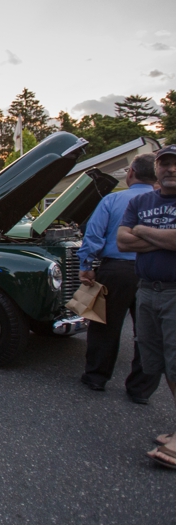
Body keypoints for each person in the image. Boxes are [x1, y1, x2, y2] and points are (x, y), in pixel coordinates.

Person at [77, 153, 161, 401]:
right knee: (149, 333)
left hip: (116, 271)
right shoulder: (166, 204)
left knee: (104, 325)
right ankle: (140, 389)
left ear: (131, 172)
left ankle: (96, 377)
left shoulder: (112, 200)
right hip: (155, 271)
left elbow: (93, 236)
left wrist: (87, 266)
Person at [118, 144, 176, 469]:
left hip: (174, 292)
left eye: (174, 164)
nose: (169, 169)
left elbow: (135, 236)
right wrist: (164, 237)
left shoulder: (141, 213)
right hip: (147, 291)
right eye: (164, 164)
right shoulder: (141, 201)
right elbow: (121, 240)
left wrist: (143, 230)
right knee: (163, 363)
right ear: (156, 169)